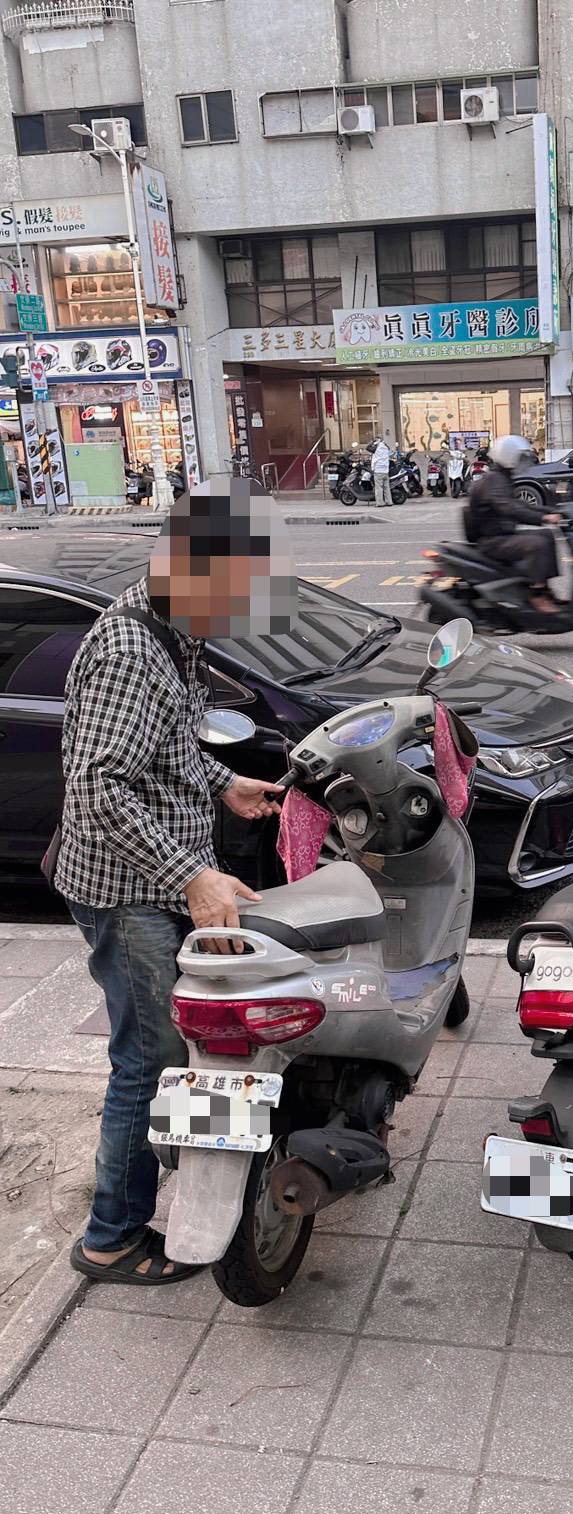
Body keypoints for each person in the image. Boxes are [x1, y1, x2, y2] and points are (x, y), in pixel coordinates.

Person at [56, 479, 293, 1286]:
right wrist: (193, 874)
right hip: (128, 892)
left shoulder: (173, 633)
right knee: (150, 1058)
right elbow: (97, 790)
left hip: (163, 879)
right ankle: (112, 1237)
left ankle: (197, 1182)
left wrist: (225, 784)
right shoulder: (130, 652)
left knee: (186, 1045)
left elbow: (167, 746)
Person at [465, 433, 562, 613]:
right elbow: (509, 508)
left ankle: (544, 588)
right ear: (509, 456)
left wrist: (549, 511)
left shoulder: (502, 477)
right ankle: (536, 595)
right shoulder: (493, 480)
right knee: (538, 544)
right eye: (519, 457)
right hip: (492, 541)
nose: (521, 462)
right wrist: (542, 518)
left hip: (503, 535)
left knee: (547, 535)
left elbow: (520, 505)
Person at [370, 436, 391, 506]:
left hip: (378, 470)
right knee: (386, 487)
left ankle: (380, 503)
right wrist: (383, 443)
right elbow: (389, 448)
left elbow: (367, 448)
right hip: (385, 470)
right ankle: (389, 502)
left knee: (379, 488)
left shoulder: (376, 448)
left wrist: (373, 443)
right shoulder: (386, 448)